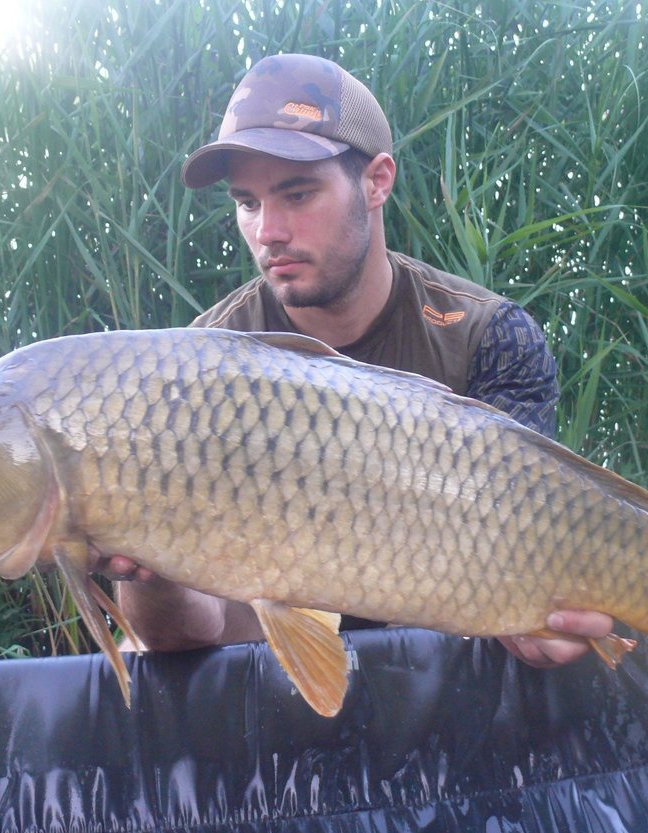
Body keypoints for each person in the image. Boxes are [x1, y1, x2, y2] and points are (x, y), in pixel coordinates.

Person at [102, 53, 614, 668]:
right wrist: (146, 574)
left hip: (447, 657)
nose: (268, 231)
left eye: (297, 193)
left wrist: (540, 619)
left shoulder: (486, 337)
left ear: (377, 181)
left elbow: (528, 559)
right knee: (137, 652)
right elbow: (197, 632)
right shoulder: (202, 367)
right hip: (276, 659)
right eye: (247, 203)